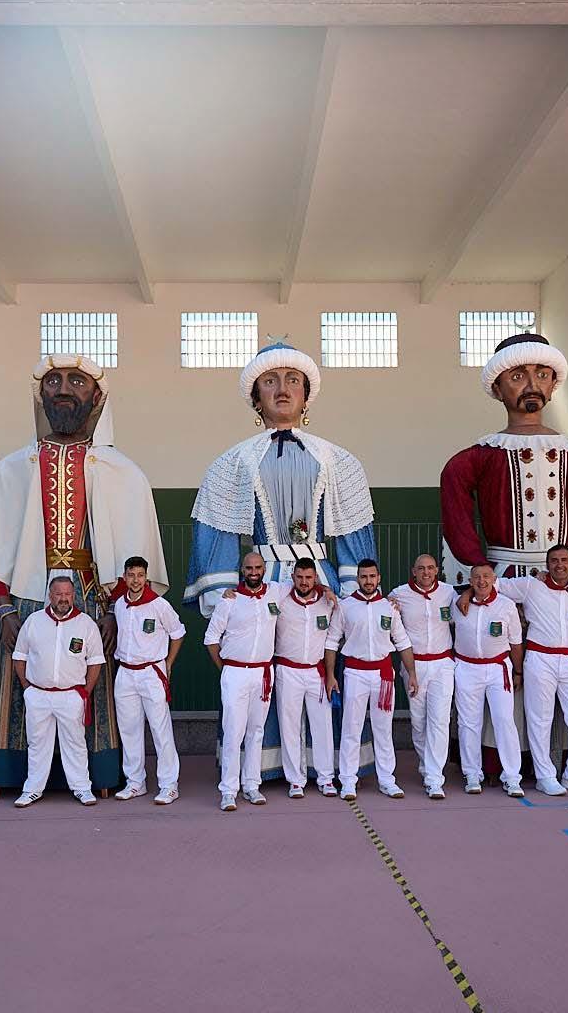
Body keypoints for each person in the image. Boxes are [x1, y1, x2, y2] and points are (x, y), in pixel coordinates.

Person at [0, 354, 165, 798]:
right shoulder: (11, 468)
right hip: (25, 595)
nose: (63, 389)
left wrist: (117, 609)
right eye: (53, 381)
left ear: (97, 398)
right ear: (41, 395)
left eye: (77, 381)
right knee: (20, 684)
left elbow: (136, 556)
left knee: (94, 682)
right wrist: (1, 607)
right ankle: (12, 776)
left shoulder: (123, 473)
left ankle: (100, 776)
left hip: (96, 597)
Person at [185, 340, 374, 606]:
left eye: (293, 380)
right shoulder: (231, 464)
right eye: (270, 381)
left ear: (306, 396)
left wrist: (355, 597)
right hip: (260, 589)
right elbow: (218, 540)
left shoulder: (341, 461)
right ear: (256, 398)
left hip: (321, 586)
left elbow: (354, 538)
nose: (283, 390)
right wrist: (223, 600)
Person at [441, 334, 568, 586]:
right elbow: (457, 526)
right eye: (517, 376)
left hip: (565, 582)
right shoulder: (474, 460)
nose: (532, 385)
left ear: (553, 384)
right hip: (502, 582)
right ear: (497, 388)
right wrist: (478, 576)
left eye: (542, 375)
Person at [480, 545, 568, 797]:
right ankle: (544, 776)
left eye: (564, 560)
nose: (559, 565)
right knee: (539, 720)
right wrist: (464, 595)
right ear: (547, 564)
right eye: (554, 561)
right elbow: (490, 583)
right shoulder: (530, 585)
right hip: (539, 659)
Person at [11, 576, 106, 808]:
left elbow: (95, 662)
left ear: (73, 596)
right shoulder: (34, 621)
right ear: (50, 595)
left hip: (70, 695)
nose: (63, 598)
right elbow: (19, 656)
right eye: (58, 594)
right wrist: (28, 689)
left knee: (75, 743)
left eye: (67, 594)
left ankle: (82, 788)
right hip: (38, 695)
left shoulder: (86, 624)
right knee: (36, 744)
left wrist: (84, 692)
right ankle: (32, 789)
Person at [325, 559, 415, 801]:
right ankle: (348, 781)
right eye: (363, 577)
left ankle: (387, 780)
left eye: (372, 576)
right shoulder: (345, 607)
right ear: (357, 578)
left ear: (379, 578)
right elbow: (332, 642)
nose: (368, 581)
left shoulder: (389, 608)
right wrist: (331, 674)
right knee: (351, 728)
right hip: (354, 674)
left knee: (383, 730)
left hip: (383, 676)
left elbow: (403, 642)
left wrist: (412, 674)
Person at [204, 552, 283, 811]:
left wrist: (326, 590)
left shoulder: (276, 592)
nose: (253, 572)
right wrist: (225, 668)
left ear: (264, 569)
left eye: (258, 567)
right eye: (249, 567)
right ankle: (228, 790)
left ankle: (251, 785)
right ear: (242, 570)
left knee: (256, 731)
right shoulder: (230, 600)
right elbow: (211, 638)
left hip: (262, 674)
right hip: (235, 673)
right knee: (233, 732)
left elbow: (305, 586)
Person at [111, 556, 185, 805]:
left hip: (151, 673)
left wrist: (169, 665)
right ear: (124, 577)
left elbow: (178, 633)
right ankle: (135, 783)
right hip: (125, 673)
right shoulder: (120, 605)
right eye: (131, 575)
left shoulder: (159, 605)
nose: (136, 580)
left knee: (160, 729)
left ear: (147, 577)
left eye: (140, 575)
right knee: (129, 730)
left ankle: (169, 785)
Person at [452, 564, 524, 797]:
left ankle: (512, 777)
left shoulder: (506, 605)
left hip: (497, 669)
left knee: (504, 721)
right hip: (466, 667)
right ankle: (472, 774)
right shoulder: (458, 604)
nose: (482, 581)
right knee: (468, 723)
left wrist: (518, 671)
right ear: (470, 581)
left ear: (494, 579)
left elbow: (515, 642)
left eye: (486, 577)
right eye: (477, 578)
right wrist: (465, 595)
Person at [388, 554, 457, 800]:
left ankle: (434, 777)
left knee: (439, 720)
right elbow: (385, 614)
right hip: (414, 667)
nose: (426, 572)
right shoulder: (399, 594)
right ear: (413, 571)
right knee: (418, 723)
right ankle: (427, 765)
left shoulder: (450, 592)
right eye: (421, 569)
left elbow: (469, 598)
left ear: (437, 570)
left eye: (430, 568)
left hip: (443, 664)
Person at [274, 558, 339, 799]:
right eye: (300, 577)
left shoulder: (328, 602)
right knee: (289, 726)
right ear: (293, 578)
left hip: (316, 672)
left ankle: (326, 778)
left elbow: (336, 635)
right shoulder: (279, 598)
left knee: (322, 725)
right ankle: (295, 780)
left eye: (308, 577)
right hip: (287, 671)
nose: (304, 582)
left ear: (316, 578)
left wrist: (327, 590)